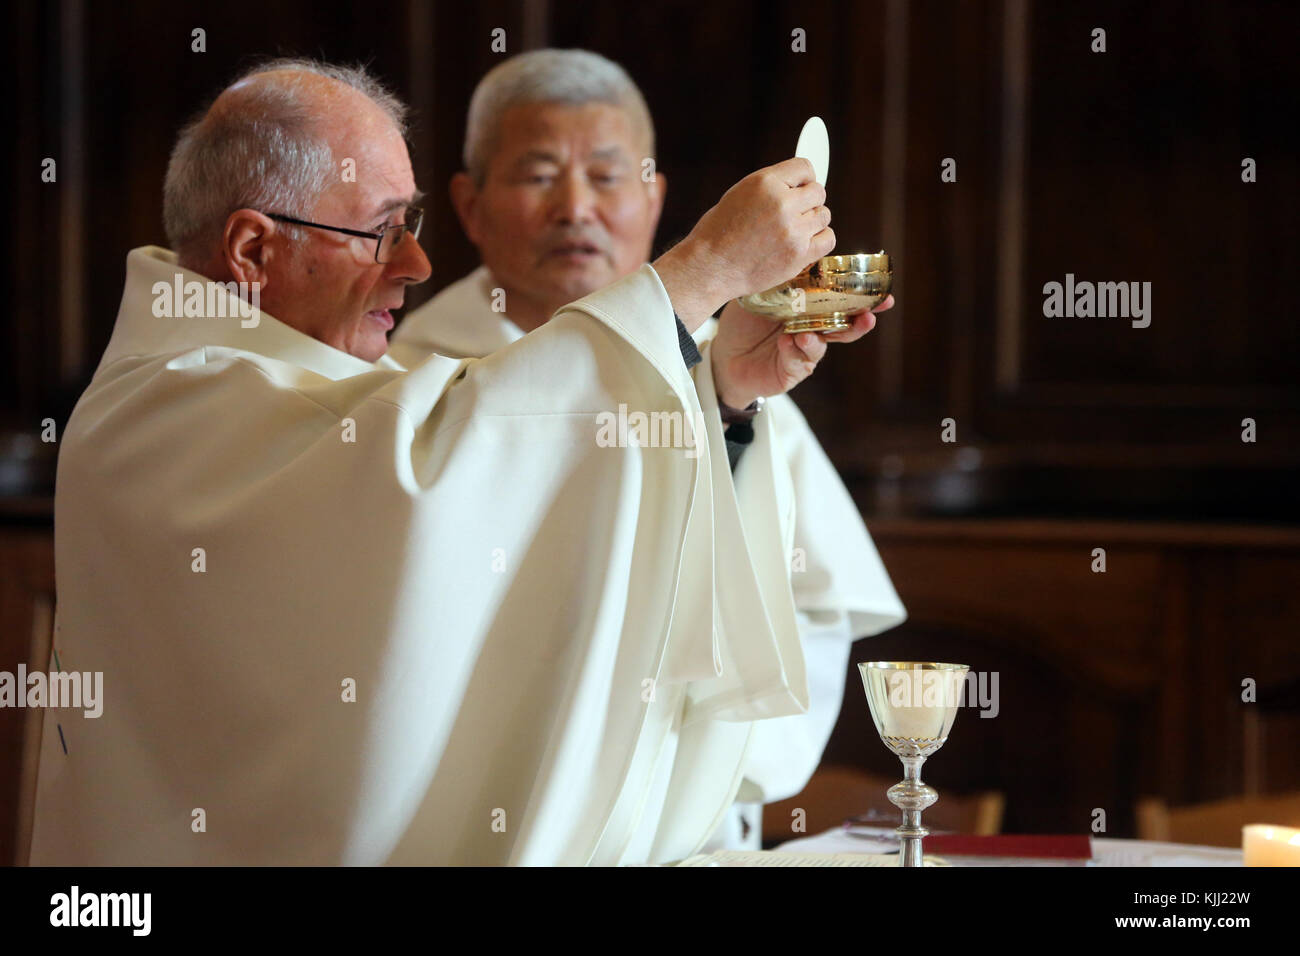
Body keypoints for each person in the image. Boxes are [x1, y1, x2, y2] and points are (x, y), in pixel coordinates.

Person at [28, 57, 853, 865]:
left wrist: (726, 398)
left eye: (411, 225)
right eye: (381, 231)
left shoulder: (318, 387)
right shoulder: (172, 412)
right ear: (252, 251)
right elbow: (442, 470)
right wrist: (701, 271)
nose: (415, 267)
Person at [390, 49, 907, 851]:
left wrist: (729, 414)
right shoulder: (412, 379)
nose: (575, 208)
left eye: (606, 175)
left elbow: (805, 604)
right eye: (536, 174)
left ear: (655, 196)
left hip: (684, 828)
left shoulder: (731, 352)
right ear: (470, 205)